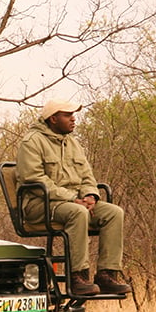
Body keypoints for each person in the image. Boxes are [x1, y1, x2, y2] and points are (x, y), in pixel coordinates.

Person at [16, 100, 131, 296]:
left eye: (73, 115)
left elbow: (87, 175)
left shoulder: (73, 143)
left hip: (73, 203)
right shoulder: (32, 141)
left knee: (114, 213)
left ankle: (107, 275)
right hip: (39, 204)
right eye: (68, 115)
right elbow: (34, 179)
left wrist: (90, 195)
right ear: (53, 118)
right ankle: (78, 276)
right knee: (77, 212)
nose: (73, 119)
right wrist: (72, 198)